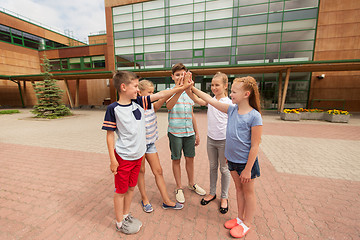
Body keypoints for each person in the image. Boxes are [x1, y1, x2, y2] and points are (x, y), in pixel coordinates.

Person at [102, 71, 191, 235]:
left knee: (131, 188)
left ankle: (126, 215)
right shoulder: (113, 109)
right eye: (135, 86)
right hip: (123, 158)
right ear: (123, 87)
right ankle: (119, 222)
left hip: (138, 156)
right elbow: (109, 136)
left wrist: (181, 87)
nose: (137, 89)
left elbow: (161, 94)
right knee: (120, 191)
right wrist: (113, 160)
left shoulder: (139, 102)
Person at [190, 75, 262, 238]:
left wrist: (248, 169)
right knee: (238, 190)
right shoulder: (232, 109)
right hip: (233, 161)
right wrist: (192, 88)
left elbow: (255, 145)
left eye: (234, 92)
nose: (231, 95)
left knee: (248, 193)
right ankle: (240, 218)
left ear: (246, 94)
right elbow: (209, 99)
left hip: (246, 164)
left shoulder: (254, 116)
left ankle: (247, 223)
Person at [186, 72, 232, 214]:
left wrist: (192, 87)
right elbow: (198, 100)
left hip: (224, 141)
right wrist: (188, 88)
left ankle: (224, 197)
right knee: (212, 167)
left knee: (224, 169)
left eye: (217, 85)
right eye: (212, 85)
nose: (213, 87)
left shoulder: (228, 103)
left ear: (225, 86)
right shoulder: (211, 99)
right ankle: (212, 193)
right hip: (211, 140)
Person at [137, 79, 184, 212]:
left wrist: (178, 87)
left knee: (158, 171)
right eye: (150, 92)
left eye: (153, 92)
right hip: (139, 146)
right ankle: (144, 199)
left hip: (150, 144)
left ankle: (166, 201)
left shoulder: (153, 106)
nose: (153, 94)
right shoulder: (136, 105)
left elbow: (164, 96)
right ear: (140, 93)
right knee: (141, 171)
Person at [166, 63, 206, 203]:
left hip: (189, 132)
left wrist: (197, 133)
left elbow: (192, 114)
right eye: (177, 75)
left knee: (190, 159)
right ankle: (179, 187)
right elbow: (169, 106)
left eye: (182, 74)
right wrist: (179, 89)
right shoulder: (169, 90)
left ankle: (191, 183)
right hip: (175, 133)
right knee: (176, 159)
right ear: (172, 77)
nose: (180, 77)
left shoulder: (190, 92)